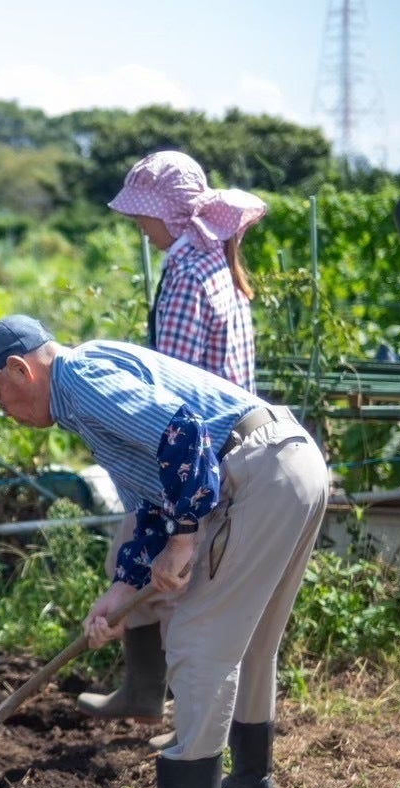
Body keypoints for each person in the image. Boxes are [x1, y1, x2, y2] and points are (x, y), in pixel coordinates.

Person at [0, 315, 328, 788]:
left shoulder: (78, 381)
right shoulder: (83, 386)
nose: (6, 413)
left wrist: (184, 539)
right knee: (250, 642)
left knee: (199, 639)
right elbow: (152, 501)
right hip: (290, 463)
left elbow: (184, 432)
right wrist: (123, 587)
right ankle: (251, 786)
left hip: (259, 472)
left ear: (20, 369)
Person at [76, 151, 269, 729]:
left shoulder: (187, 274)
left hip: (199, 455)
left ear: (172, 214)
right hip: (229, 448)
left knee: (170, 584)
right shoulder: (213, 261)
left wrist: (169, 497)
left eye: (144, 214)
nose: (139, 226)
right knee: (138, 561)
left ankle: (186, 721)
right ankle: (147, 694)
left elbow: (174, 399)